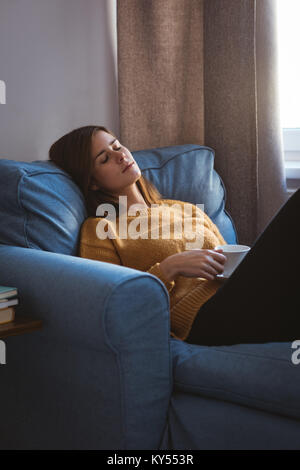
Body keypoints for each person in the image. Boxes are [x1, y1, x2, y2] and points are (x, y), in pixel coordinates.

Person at [49, 125, 300, 346]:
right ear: (91, 182)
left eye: (117, 145)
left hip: (240, 297)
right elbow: (110, 303)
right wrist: (169, 268)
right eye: (105, 158)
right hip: (202, 319)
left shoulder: (185, 208)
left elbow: (229, 265)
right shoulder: (101, 230)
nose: (120, 155)